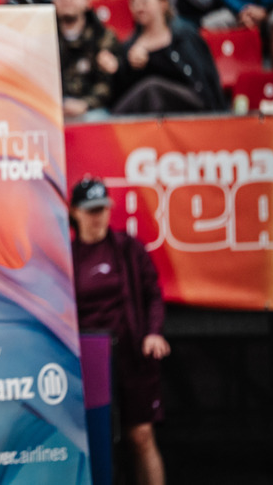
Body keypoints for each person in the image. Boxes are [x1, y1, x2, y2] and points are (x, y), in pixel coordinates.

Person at [69, 176, 170, 485]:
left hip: (131, 357)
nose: (98, 216)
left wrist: (153, 332)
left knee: (140, 436)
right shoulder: (66, 256)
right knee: (91, 440)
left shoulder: (128, 249)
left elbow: (154, 293)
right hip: (88, 364)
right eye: (90, 210)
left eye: (102, 209)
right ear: (75, 212)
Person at [113, 0, 226, 114]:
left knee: (153, 88)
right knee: (151, 92)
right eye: (134, 2)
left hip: (193, 102)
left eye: (144, 1)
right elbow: (126, 93)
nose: (138, 6)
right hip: (150, 114)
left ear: (163, 4)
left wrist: (218, 111)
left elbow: (207, 75)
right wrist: (126, 67)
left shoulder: (185, 35)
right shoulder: (129, 47)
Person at [54, 0, 120, 119]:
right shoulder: (45, 37)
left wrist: (85, 104)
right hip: (53, 109)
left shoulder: (103, 36)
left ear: (86, 1)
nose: (66, 0)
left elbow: (107, 85)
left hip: (91, 110)